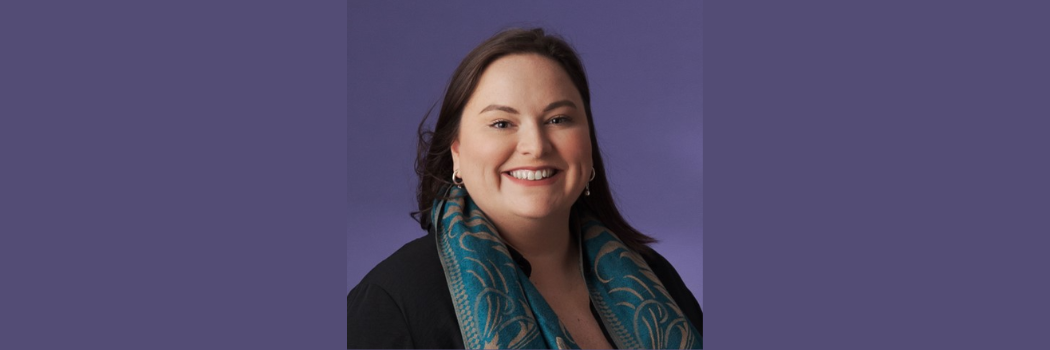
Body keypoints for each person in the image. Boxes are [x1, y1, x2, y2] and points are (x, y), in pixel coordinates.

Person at [348, 27, 702, 349]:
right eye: (501, 123)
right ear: (457, 153)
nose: (535, 145)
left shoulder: (656, 277)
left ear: (588, 143)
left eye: (558, 119)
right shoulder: (393, 301)